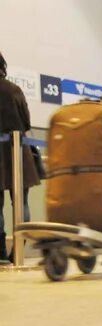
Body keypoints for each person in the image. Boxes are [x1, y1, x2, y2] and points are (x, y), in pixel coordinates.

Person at [0, 51, 41, 264]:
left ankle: (0, 254)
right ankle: (18, 252)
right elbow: (26, 122)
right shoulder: (14, 90)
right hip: (17, 151)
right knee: (21, 203)